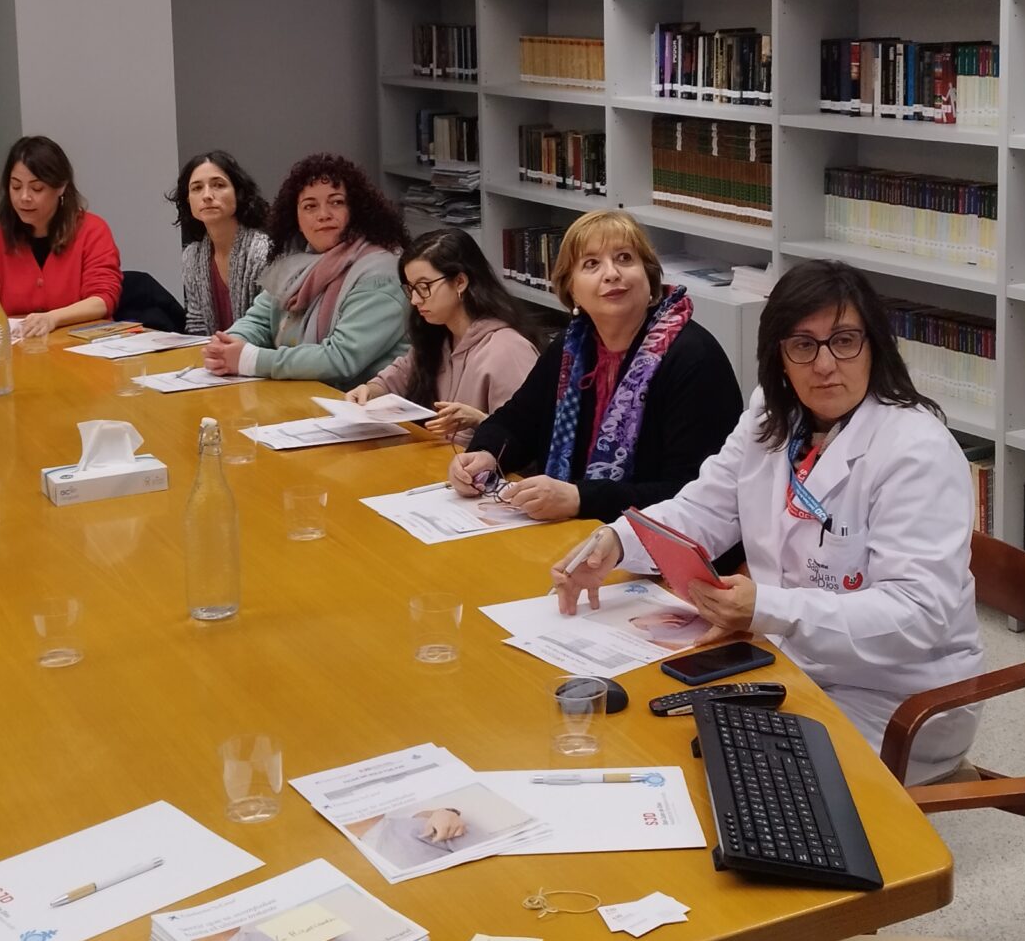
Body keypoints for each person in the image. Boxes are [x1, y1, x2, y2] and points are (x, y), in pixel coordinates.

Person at [548, 259, 982, 780]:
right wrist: (617, 539)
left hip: (897, 695)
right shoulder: (770, 415)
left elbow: (916, 615)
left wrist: (768, 607)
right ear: (778, 356)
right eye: (803, 345)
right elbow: (704, 506)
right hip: (792, 661)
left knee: (731, 773)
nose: (824, 365)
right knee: (652, 728)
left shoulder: (916, 451)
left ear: (874, 347)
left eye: (844, 341)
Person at [447, 211, 742, 524]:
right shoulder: (570, 348)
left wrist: (580, 499)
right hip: (570, 531)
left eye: (625, 258)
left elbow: (693, 494)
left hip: (658, 547)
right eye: (591, 264)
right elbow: (517, 421)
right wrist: (486, 454)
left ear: (649, 276)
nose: (612, 274)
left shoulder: (693, 357)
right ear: (571, 289)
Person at [201, 154, 407, 389]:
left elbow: (340, 358)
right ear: (296, 218)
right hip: (306, 401)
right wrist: (229, 344)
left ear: (357, 210)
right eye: (310, 206)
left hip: (364, 411)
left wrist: (248, 359)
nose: (323, 214)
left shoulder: (382, 274)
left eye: (336, 202)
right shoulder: (297, 263)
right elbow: (258, 321)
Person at [347, 229, 543, 446]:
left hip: (484, 473)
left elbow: (529, 438)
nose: (414, 300)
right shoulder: (439, 335)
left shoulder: (508, 350)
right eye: (410, 289)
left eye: (423, 287)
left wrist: (479, 421)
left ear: (460, 282)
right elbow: (398, 376)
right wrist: (371, 391)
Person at [0, 134, 122, 337]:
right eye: (16, 186)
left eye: (37, 188)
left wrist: (52, 318)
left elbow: (102, 299)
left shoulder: (92, 231)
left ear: (61, 187)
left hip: (80, 351)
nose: (24, 197)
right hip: (20, 354)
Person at [171, 149, 272, 337]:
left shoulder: (264, 251)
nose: (207, 195)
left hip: (258, 358)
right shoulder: (192, 257)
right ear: (188, 200)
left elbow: (268, 326)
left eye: (218, 185)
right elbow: (196, 325)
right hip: (214, 361)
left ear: (238, 193)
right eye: (197, 188)